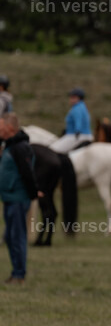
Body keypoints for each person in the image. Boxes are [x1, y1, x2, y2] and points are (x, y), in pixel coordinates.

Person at [0, 113, 43, 285]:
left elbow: (27, 172)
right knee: (10, 237)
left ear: (10, 128)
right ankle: (15, 272)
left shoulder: (20, 147)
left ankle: (19, 274)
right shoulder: (9, 145)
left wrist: (33, 193)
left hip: (18, 198)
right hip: (9, 198)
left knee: (17, 236)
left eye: (1, 127)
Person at [50, 88, 93, 153]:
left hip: (76, 135)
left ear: (79, 98)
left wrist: (77, 131)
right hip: (86, 135)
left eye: (73, 97)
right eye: (71, 97)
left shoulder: (76, 109)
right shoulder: (83, 106)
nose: (71, 99)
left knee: (52, 150)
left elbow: (78, 121)